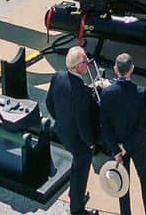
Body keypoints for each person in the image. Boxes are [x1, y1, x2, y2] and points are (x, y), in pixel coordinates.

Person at [46, 45, 99, 215]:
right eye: (85, 61)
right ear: (78, 67)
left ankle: (75, 194)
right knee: (80, 169)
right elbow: (83, 124)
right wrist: (91, 143)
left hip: (63, 132)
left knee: (77, 166)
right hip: (77, 140)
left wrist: (62, 121)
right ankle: (77, 208)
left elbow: (49, 104)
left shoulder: (58, 77)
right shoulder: (81, 92)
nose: (87, 63)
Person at [99, 53, 146, 215]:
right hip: (137, 145)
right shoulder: (140, 93)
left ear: (115, 70)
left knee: (122, 183)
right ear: (132, 69)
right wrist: (126, 147)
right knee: (145, 178)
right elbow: (141, 125)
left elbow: (105, 125)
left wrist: (116, 150)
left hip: (117, 147)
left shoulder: (107, 93)